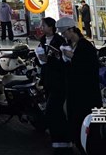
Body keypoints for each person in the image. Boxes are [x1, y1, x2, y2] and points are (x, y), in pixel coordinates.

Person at [57, 17, 102, 151]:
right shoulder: (71, 45)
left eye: (64, 32)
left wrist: (72, 57)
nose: (63, 35)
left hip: (86, 92)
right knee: (76, 120)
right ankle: (80, 144)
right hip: (75, 90)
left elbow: (89, 66)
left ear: (72, 30)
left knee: (86, 122)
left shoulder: (85, 46)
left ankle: (90, 146)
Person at [37, 17, 70, 151]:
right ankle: (57, 139)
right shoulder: (42, 40)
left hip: (58, 80)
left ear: (51, 27)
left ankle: (62, 141)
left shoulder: (60, 41)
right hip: (47, 78)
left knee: (55, 109)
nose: (41, 28)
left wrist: (53, 58)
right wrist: (40, 58)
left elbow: (64, 61)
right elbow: (41, 59)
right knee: (52, 109)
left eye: (43, 25)